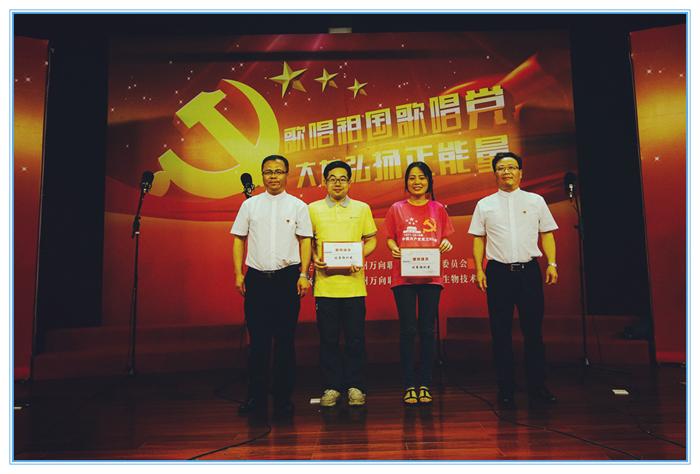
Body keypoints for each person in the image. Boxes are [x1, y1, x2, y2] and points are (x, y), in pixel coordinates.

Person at [468, 151, 559, 409]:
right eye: (501, 168)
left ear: (520, 172)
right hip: (498, 273)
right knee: (500, 333)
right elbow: (478, 239)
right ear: (495, 173)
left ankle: (538, 387)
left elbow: (547, 234)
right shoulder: (484, 204)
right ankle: (505, 389)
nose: (506, 171)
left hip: (529, 272)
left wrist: (552, 263)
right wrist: (479, 269)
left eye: (511, 167)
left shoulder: (536, 201)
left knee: (534, 332)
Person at [231, 154, 312, 419]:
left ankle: (282, 399)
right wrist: (238, 274)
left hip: (287, 279)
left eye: (278, 171)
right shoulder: (250, 205)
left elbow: (306, 241)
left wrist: (304, 274)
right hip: (257, 279)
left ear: (287, 174)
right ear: (262, 175)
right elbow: (238, 239)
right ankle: (255, 397)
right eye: (268, 172)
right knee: (258, 342)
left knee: (285, 341)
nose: (273, 176)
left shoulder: (298, 206)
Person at [309, 160, 378, 408]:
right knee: (328, 339)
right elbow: (308, 243)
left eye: (342, 179)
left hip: (354, 287)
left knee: (355, 339)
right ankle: (332, 387)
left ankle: (355, 386)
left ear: (350, 182)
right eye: (332, 178)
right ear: (324, 182)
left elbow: (371, 240)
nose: (337, 183)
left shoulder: (362, 208)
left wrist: (360, 256)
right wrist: (314, 258)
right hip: (325, 287)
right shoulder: (312, 209)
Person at [385, 161, 454, 405]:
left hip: (430, 277)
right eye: (412, 177)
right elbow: (389, 238)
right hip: (403, 277)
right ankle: (408, 384)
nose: (417, 182)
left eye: (422, 177)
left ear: (429, 182)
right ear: (406, 182)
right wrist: (393, 247)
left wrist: (446, 244)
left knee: (427, 330)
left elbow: (445, 238)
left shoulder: (438, 208)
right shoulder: (396, 208)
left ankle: (425, 383)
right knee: (407, 331)